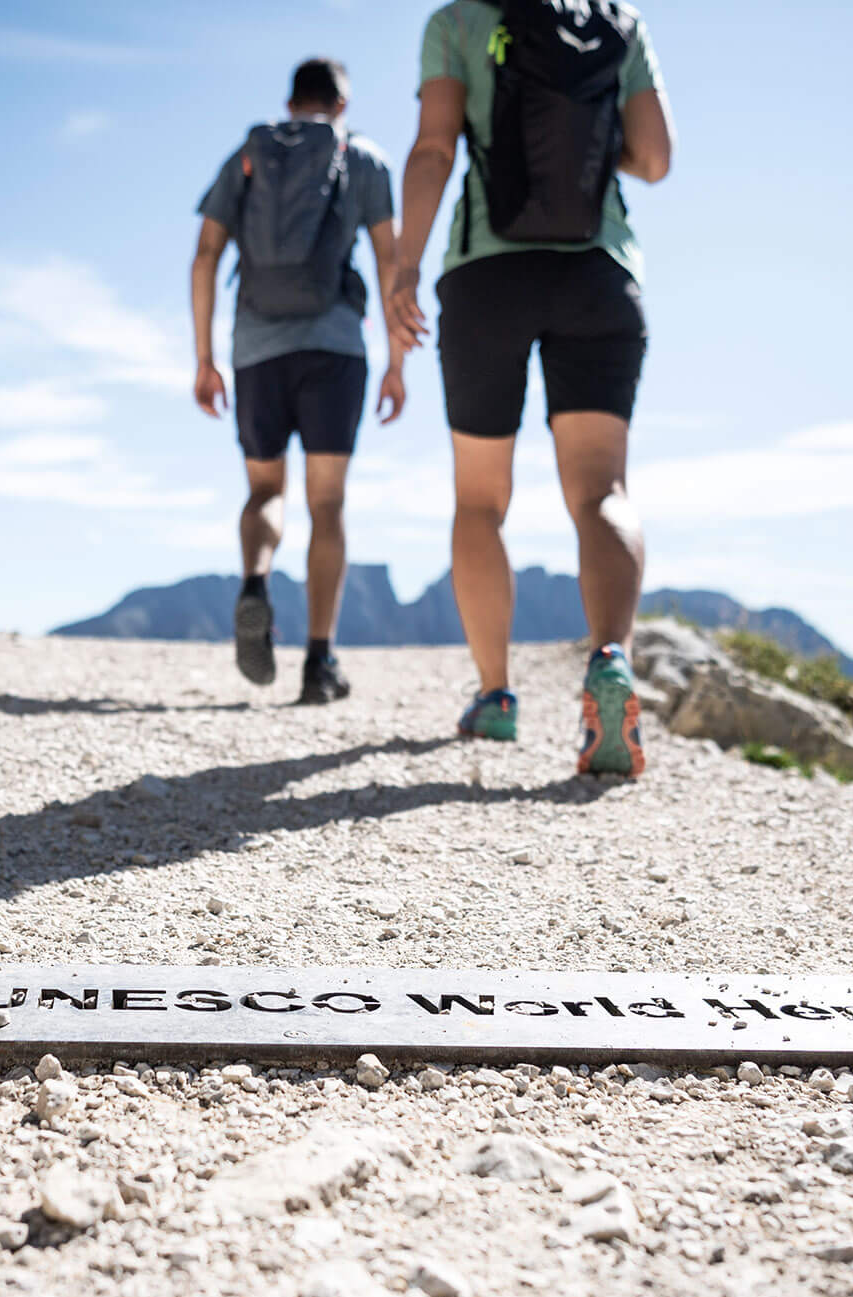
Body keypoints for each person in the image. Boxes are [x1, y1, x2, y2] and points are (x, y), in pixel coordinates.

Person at [386, 0, 673, 774]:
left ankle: (497, 697)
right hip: (600, 274)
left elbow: (432, 151)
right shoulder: (617, 20)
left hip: (487, 275)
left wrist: (404, 265)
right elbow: (654, 158)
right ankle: (610, 658)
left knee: (481, 499)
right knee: (601, 491)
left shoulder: (457, 23)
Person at [191, 57, 406, 705]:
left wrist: (205, 358)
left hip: (256, 350)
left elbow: (205, 255)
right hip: (335, 349)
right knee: (328, 504)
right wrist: (397, 360)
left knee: (264, 490)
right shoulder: (362, 157)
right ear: (341, 104)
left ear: (290, 102)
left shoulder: (250, 154)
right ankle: (319, 662)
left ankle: (256, 582)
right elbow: (391, 261)